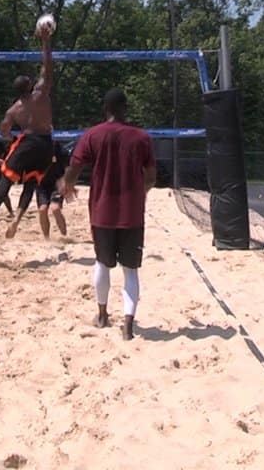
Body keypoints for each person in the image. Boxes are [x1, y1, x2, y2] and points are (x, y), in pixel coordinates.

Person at [60, 89, 155, 341]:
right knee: (131, 269)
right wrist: (140, 192)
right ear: (125, 108)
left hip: (102, 210)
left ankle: (102, 315)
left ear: (106, 109)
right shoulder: (141, 137)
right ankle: (128, 325)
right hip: (132, 213)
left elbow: (74, 166)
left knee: (102, 263)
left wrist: (67, 184)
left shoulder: (93, 135)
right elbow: (151, 177)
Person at [0, 24, 55, 237]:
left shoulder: (13, 110)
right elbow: (47, 68)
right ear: (30, 86)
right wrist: (46, 41)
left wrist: (12, 135)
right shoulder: (40, 94)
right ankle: (17, 220)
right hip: (47, 144)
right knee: (31, 182)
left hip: (28, 141)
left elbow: (3, 132)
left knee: (6, 177)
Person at [34, 141, 70, 238]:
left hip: (57, 183)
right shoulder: (36, 149)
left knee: (55, 208)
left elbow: (67, 167)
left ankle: (64, 236)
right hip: (42, 184)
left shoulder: (59, 149)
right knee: (42, 210)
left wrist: (65, 182)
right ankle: (46, 238)